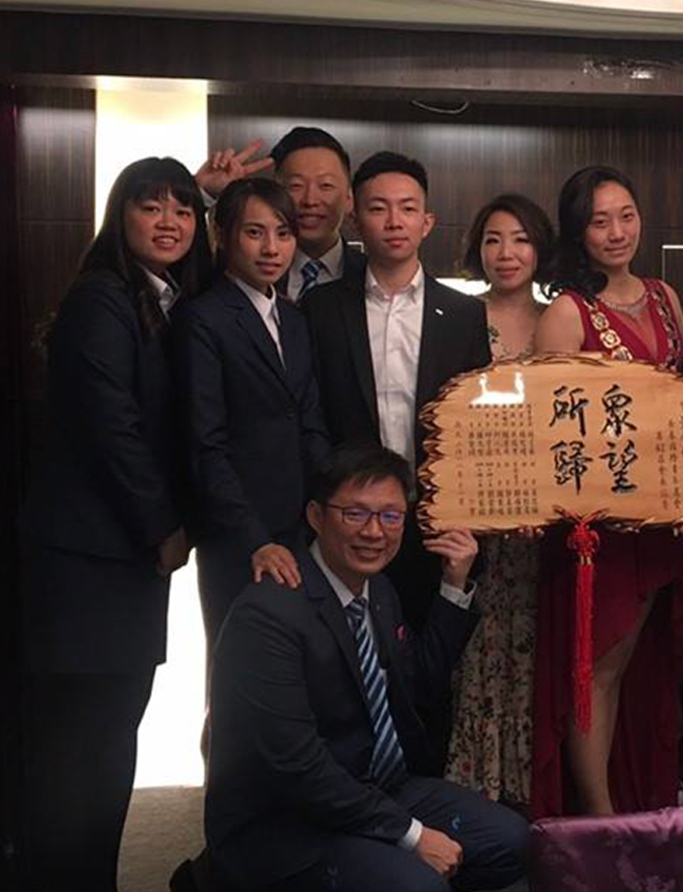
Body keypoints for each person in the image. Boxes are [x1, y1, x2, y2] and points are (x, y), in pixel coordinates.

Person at [204, 442, 528, 892]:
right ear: (316, 516)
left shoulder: (379, 592)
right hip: (288, 820)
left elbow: (418, 686)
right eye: (354, 514)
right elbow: (295, 766)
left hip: (375, 788)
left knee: (512, 841)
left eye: (391, 516)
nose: (375, 531)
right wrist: (411, 835)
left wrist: (454, 585)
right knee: (418, 884)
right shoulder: (268, 614)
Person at [19, 157, 212, 890]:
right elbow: (112, 425)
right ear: (118, 215)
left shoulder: (157, 297)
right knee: (81, 751)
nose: (169, 222)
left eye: (183, 210)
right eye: (150, 206)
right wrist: (164, 525)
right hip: (89, 563)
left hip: (116, 563)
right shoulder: (103, 297)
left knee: (104, 741)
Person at [303, 151, 491, 766]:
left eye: (407, 208)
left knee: (429, 672)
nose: (393, 221)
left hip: (430, 521)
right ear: (354, 218)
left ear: (427, 222)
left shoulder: (462, 313)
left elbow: (475, 425)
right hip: (351, 520)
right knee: (340, 669)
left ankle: (423, 795)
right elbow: (311, 415)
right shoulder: (320, 309)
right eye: (378, 208)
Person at [531, 165, 683, 818]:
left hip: (659, 521)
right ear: (579, 231)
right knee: (595, 668)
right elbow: (551, 432)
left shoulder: (664, 297)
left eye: (626, 215)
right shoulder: (567, 312)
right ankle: (599, 821)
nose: (617, 231)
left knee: (637, 665)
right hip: (596, 527)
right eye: (600, 221)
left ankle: (634, 800)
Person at [174, 177, 330, 654]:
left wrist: (329, 514)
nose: (272, 249)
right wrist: (253, 539)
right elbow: (205, 443)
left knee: (299, 665)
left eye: (283, 234)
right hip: (238, 534)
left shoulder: (295, 319)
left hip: (302, 529)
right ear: (221, 235)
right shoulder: (202, 318)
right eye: (254, 232)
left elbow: (311, 421)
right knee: (238, 665)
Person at [445, 194, 553, 810]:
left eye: (520, 239)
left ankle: (535, 788)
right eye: (492, 239)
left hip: (545, 519)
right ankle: (481, 787)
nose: (506, 253)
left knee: (536, 642)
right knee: (479, 643)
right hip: (478, 512)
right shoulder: (457, 316)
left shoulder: (560, 318)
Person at [196, 126, 363, 301]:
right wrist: (203, 195)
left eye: (326, 185)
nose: (310, 200)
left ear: (349, 197)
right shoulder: (241, 269)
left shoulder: (370, 275)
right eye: (296, 186)